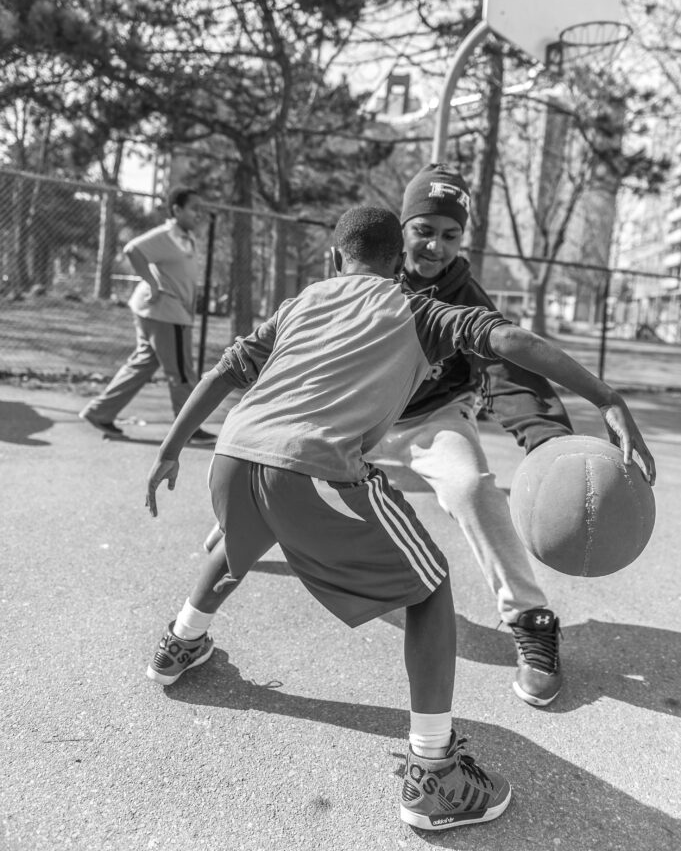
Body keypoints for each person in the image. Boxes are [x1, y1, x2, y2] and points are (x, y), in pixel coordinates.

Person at [143, 206, 654, 831]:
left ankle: (180, 642)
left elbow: (226, 369)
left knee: (243, 540)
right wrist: (608, 398)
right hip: (313, 467)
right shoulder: (417, 310)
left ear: (335, 259)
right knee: (431, 587)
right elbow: (514, 343)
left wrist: (170, 447)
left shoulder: (302, 302)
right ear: (397, 263)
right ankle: (434, 774)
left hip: (233, 454)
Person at [371, 162, 576, 707]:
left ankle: (530, 617)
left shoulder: (465, 295)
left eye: (449, 234)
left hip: (434, 419)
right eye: (424, 229)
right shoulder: (366, 274)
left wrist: (548, 439)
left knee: (471, 487)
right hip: (365, 418)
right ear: (402, 227)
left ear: (462, 239)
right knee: (287, 467)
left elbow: (505, 370)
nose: (435, 245)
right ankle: (235, 540)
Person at [79, 185, 215, 444]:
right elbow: (133, 249)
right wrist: (153, 284)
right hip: (165, 312)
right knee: (182, 373)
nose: (199, 214)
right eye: (193, 209)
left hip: (167, 312)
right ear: (176, 210)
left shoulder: (185, 237)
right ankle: (188, 430)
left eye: (201, 209)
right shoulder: (167, 234)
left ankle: (100, 412)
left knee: (142, 364)